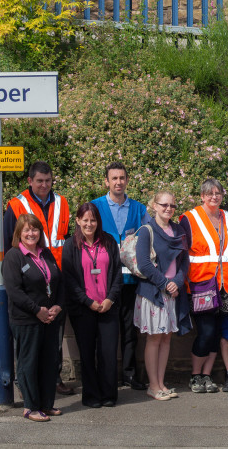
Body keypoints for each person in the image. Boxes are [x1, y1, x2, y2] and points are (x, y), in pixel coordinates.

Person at [2, 160, 73, 395]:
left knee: (54, 337)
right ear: (30, 181)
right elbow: (8, 246)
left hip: (55, 279)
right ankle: (25, 385)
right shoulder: (16, 204)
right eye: (39, 181)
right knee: (28, 343)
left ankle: (53, 378)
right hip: (29, 283)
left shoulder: (62, 202)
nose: (44, 185)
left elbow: (66, 239)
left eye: (48, 180)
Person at [3, 214, 65, 422]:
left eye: (35, 230)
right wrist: (36, 310)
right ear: (19, 233)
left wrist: (57, 306)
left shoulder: (45, 253)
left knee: (49, 361)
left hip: (49, 318)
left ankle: (46, 404)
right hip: (27, 319)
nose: (31, 233)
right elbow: (14, 291)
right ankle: (30, 406)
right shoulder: (14, 256)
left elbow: (57, 282)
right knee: (28, 363)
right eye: (27, 230)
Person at [90, 162, 147, 391]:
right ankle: (106, 375)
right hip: (103, 281)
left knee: (130, 330)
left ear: (127, 181)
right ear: (106, 181)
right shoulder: (94, 207)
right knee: (105, 331)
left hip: (131, 281)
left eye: (122, 178)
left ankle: (130, 374)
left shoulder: (139, 209)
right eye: (114, 178)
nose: (118, 182)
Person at [180, 177, 228, 394]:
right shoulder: (189, 218)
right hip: (201, 284)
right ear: (202, 196)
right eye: (209, 194)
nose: (214, 197)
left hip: (226, 286)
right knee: (205, 332)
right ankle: (195, 376)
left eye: (218, 193)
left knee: (217, 333)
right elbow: (182, 252)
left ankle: (207, 375)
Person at [61, 202, 123, 408]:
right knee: (87, 354)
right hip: (83, 309)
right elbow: (69, 279)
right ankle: (91, 396)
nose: (89, 224)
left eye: (93, 220)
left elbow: (117, 275)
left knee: (108, 354)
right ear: (78, 221)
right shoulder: (70, 246)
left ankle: (108, 395)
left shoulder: (110, 242)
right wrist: (88, 302)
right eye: (85, 220)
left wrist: (109, 299)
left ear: (98, 221)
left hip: (108, 307)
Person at [134, 190, 191, 401]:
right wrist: (165, 284)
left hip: (172, 293)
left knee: (167, 338)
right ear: (154, 206)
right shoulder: (147, 231)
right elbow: (144, 264)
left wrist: (176, 282)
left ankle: (161, 382)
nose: (168, 209)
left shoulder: (178, 230)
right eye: (164, 205)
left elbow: (184, 260)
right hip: (154, 293)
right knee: (154, 338)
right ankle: (153, 385)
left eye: (172, 205)